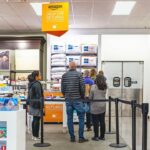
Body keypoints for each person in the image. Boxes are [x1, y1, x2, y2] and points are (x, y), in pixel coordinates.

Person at [61, 61, 88, 143]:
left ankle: (72, 137)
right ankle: (80, 137)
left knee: (69, 118)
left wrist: (66, 95)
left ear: (69, 67)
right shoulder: (79, 74)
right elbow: (82, 87)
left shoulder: (64, 75)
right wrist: (82, 97)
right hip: (78, 99)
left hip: (68, 100)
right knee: (81, 118)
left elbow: (62, 89)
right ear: (75, 67)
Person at [89, 74, 107, 141]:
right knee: (102, 121)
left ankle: (96, 136)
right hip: (103, 106)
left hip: (95, 106)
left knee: (95, 122)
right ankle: (102, 136)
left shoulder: (93, 87)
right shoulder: (104, 86)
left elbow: (90, 97)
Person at [28, 71, 44, 141]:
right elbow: (39, 95)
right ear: (36, 76)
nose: (41, 76)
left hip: (32, 104)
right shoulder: (37, 84)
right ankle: (36, 135)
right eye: (40, 75)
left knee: (35, 119)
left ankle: (34, 135)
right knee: (37, 120)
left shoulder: (31, 83)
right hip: (37, 104)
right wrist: (42, 105)